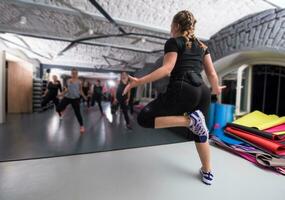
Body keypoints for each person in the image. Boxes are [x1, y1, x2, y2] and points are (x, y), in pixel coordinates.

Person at [123, 10, 225, 185]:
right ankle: (207, 172)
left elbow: (166, 69)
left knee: (144, 118)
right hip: (203, 91)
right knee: (200, 133)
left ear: (176, 26)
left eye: (171, 25)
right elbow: (212, 74)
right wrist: (216, 88)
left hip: (183, 87)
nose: (170, 29)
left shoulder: (173, 42)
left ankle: (190, 121)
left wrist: (139, 81)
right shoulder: (202, 46)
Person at [57, 68, 87, 133]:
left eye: (75, 73)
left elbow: (80, 90)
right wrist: (61, 94)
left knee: (77, 113)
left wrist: (84, 96)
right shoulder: (68, 80)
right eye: (72, 73)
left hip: (75, 99)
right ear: (71, 73)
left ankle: (81, 126)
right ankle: (62, 111)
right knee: (58, 108)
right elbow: (66, 90)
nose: (74, 74)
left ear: (77, 74)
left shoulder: (79, 81)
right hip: (67, 97)